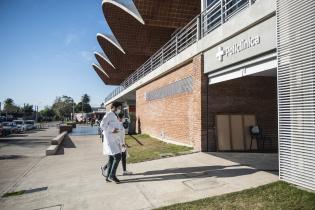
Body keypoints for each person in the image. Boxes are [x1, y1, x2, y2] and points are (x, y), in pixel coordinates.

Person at [100, 102, 122, 183]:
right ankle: (112, 175)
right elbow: (102, 125)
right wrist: (113, 129)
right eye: (119, 108)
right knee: (118, 156)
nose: (119, 110)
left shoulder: (114, 115)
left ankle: (107, 177)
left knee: (111, 158)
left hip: (113, 139)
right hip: (110, 140)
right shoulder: (108, 115)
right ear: (114, 107)